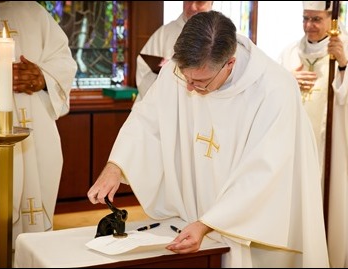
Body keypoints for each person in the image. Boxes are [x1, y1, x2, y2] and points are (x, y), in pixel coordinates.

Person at [88, 11, 329, 267]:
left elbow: (264, 174)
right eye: (185, 77)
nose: (190, 88)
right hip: (188, 216)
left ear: (230, 63)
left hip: (250, 230)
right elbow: (147, 120)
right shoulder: (180, 72)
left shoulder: (274, 89)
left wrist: (207, 223)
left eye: (200, 82)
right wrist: (116, 166)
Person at [279, 1, 348, 267]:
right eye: (305, 18)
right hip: (296, 150)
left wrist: (345, 65)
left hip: (333, 151)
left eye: (316, 19)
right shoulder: (289, 53)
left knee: (331, 214)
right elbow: (270, 93)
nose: (309, 26)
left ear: (331, 19)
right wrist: (288, 80)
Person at [0, 1, 77, 247]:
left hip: (37, 133)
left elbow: (64, 62)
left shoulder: (35, 12)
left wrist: (43, 77)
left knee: (34, 214)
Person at [135, 1, 213, 101]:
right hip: (167, 106)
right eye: (188, 1)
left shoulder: (222, 36)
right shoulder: (164, 33)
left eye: (199, 2)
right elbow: (144, 70)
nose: (193, 7)